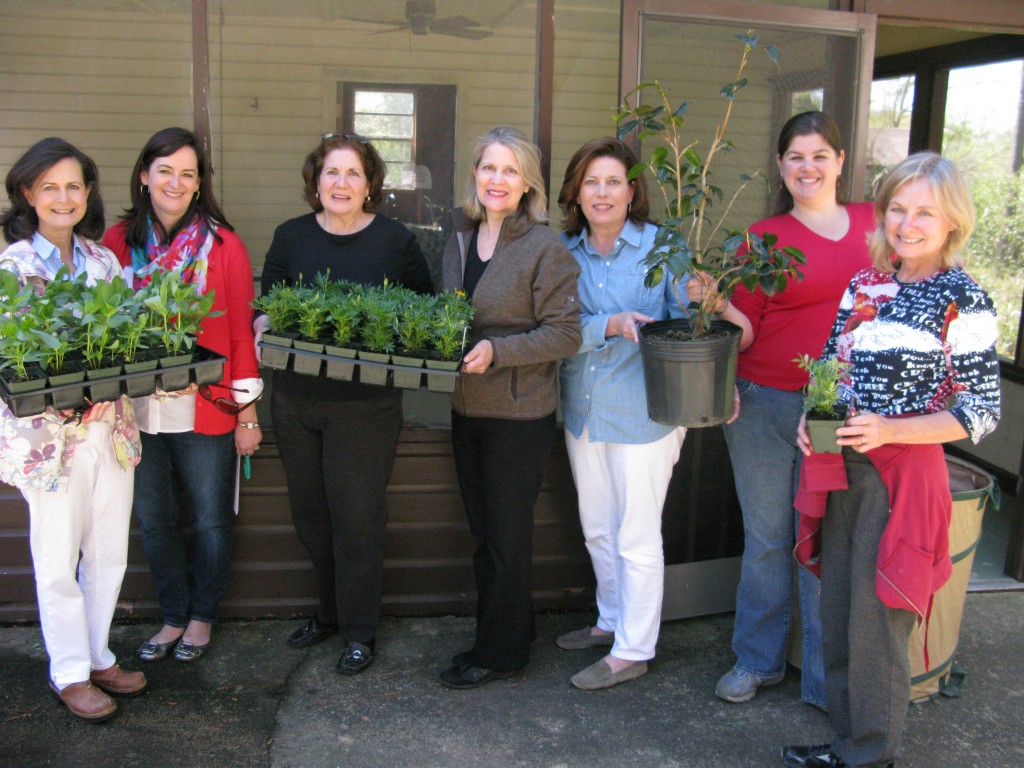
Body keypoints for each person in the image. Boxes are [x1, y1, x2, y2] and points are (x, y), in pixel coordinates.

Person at [782, 152, 1000, 768]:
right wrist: (812, 428)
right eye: (898, 208)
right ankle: (846, 746)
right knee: (839, 616)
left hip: (901, 483)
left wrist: (893, 430)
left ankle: (871, 758)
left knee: (878, 629)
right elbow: (831, 374)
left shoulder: (964, 300)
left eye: (925, 211)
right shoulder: (866, 284)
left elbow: (979, 412)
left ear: (952, 220)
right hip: (841, 470)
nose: (908, 223)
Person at [705, 112, 875, 708]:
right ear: (780, 166)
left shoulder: (874, 227)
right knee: (769, 536)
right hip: (760, 405)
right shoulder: (761, 237)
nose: (808, 167)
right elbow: (746, 331)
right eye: (796, 157)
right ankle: (757, 661)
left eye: (819, 155)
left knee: (826, 531)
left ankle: (828, 679)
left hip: (833, 406)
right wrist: (717, 301)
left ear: (840, 161)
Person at [256, 133, 432, 675]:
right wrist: (262, 325)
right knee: (311, 514)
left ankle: (359, 631)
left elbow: (423, 313)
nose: (341, 183)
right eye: (331, 173)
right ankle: (329, 614)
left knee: (357, 519)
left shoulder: (395, 241)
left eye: (353, 173)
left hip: (366, 407)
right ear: (316, 182)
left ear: (371, 184)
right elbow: (268, 305)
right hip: (296, 402)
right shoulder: (290, 236)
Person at [103, 127, 263, 663]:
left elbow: (240, 333)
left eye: (187, 173)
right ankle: (172, 616)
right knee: (154, 521)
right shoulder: (115, 243)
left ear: (199, 185)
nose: (175, 182)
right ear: (144, 175)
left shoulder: (224, 245)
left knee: (212, 520)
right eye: (165, 170)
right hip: (135, 410)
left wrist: (247, 413)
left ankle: (201, 618)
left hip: (208, 406)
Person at [0, 138, 145, 721]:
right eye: (50, 187)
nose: (64, 197)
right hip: (49, 440)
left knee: (108, 552)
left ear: (88, 194)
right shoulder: (12, 266)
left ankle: (97, 653)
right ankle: (67, 671)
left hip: (110, 429)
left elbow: (126, 338)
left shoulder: (102, 259)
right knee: (58, 558)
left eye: (74, 186)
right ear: (29, 195)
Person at [438, 126, 581, 689]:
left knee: (506, 539)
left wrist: (497, 350)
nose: (498, 180)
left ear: (528, 184)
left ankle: (499, 654)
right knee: (484, 534)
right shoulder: (457, 236)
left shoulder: (545, 247)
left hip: (518, 417)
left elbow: (565, 334)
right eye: (489, 168)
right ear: (475, 174)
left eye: (510, 170)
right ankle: (509, 631)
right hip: (465, 407)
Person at [554, 138, 686, 690]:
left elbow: (691, 330)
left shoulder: (664, 249)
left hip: (645, 414)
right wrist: (606, 326)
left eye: (614, 181)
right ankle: (611, 621)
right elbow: (554, 330)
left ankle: (635, 648)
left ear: (633, 191)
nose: (602, 192)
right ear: (575, 193)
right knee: (598, 530)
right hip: (583, 409)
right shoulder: (562, 254)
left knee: (635, 535)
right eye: (591, 182)